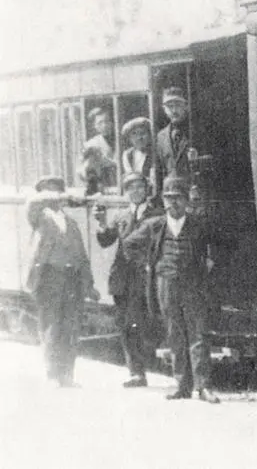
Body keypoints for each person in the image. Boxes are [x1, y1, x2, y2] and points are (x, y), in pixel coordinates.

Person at [122, 176, 219, 403]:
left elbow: (219, 245)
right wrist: (148, 264)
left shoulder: (198, 224)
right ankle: (181, 385)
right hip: (166, 284)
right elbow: (129, 244)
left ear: (186, 202)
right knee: (175, 333)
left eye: (177, 199)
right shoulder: (155, 225)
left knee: (198, 334)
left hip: (193, 284)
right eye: (168, 199)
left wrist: (210, 262)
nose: (172, 204)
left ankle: (203, 386)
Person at [25, 176, 99, 386]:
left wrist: (89, 283)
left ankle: (67, 375)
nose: (54, 196)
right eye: (49, 191)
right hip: (49, 277)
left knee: (70, 327)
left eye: (57, 190)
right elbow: (33, 202)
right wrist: (62, 195)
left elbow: (81, 255)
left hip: (72, 279)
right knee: (51, 326)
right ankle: (52, 374)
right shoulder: (38, 216)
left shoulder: (71, 223)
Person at [95, 172, 164, 388]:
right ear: (125, 193)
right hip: (122, 279)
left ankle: (147, 366)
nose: (135, 192)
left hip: (146, 278)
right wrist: (101, 223)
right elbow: (106, 241)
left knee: (144, 322)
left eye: (139, 187)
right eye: (130, 188)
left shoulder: (157, 214)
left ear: (147, 190)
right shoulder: (121, 217)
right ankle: (136, 372)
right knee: (127, 325)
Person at [156, 87, 191, 178]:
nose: (174, 110)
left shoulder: (195, 131)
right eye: (170, 106)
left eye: (178, 105)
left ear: (186, 106)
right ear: (164, 109)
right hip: (171, 190)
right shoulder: (161, 137)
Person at [121, 117, 156, 194]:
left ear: (149, 136)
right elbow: (129, 176)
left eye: (142, 133)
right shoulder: (127, 155)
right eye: (134, 135)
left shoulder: (155, 153)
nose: (139, 138)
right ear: (130, 139)